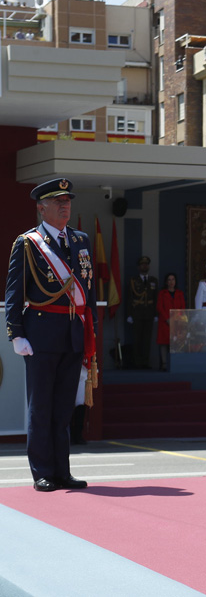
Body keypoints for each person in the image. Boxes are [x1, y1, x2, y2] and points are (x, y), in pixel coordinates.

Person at [5, 178, 96, 492]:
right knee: (41, 407)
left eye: (67, 200)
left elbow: (87, 291)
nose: (65, 205)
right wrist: (16, 333)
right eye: (58, 201)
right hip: (40, 335)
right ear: (41, 207)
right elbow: (15, 292)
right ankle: (42, 471)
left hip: (72, 333)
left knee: (63, 408)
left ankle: (62, 471)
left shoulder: (81, 240)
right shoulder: (28, 243)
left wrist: (90, 335)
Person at [126, 255, 158, 368]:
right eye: (142, 264)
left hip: (149, 313)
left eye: (146, 264)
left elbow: (155, 298)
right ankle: (137, 362)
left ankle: (145, 362)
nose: (144, 266)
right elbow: (129, 298)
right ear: (139, 267)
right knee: (137, 339)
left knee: (147, 339)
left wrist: (155, 314)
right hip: (137, 313)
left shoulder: (153, 280)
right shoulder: (133, 281)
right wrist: (129, 314)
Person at [156, 272, 185, 371]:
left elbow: (182, 307)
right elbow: (159, 307)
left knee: (176, 342)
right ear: (166, 282)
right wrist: (167, 319)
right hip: (165, 321)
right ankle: (164, 363)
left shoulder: (179, 293)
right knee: (164, 342)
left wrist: (177, 319)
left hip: (176, 321)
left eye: (173, 279)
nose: (171, 282)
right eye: (169, 280)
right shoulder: (162, 293)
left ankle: (175, 363)